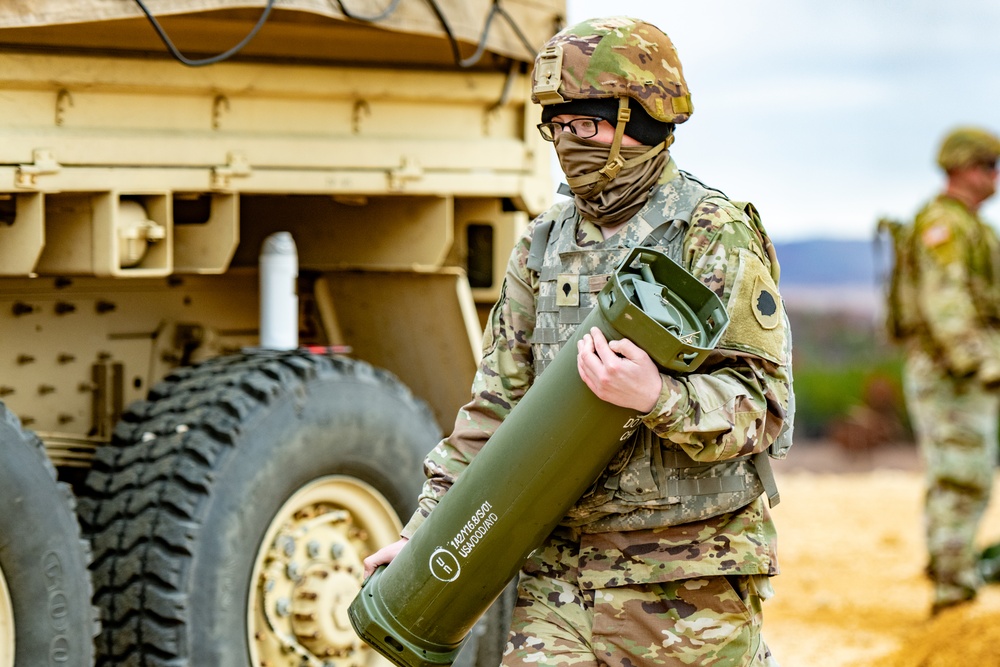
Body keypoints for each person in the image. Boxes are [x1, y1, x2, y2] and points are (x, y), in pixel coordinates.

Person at [364, 16, 794, 665]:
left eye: (586, 124)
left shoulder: (711, 233)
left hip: (686, 582)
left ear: (641, 117)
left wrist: (657, 395)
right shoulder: (544, 243)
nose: (569, 142)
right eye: (558, 126)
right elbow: (493, 412)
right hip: (559, 580)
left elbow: (765, 408)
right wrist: (426, 535)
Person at [892, 126, 1000, 615]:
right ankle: (953, 590)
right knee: (961, 476)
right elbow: (946, 302)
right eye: (987, 165)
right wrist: (983, 362)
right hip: (955, 374)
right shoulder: (946, 226)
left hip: (969, 370)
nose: (994, 176)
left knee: (968, 473)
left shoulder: (969, 225)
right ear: (962, 167)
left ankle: (958, 573)